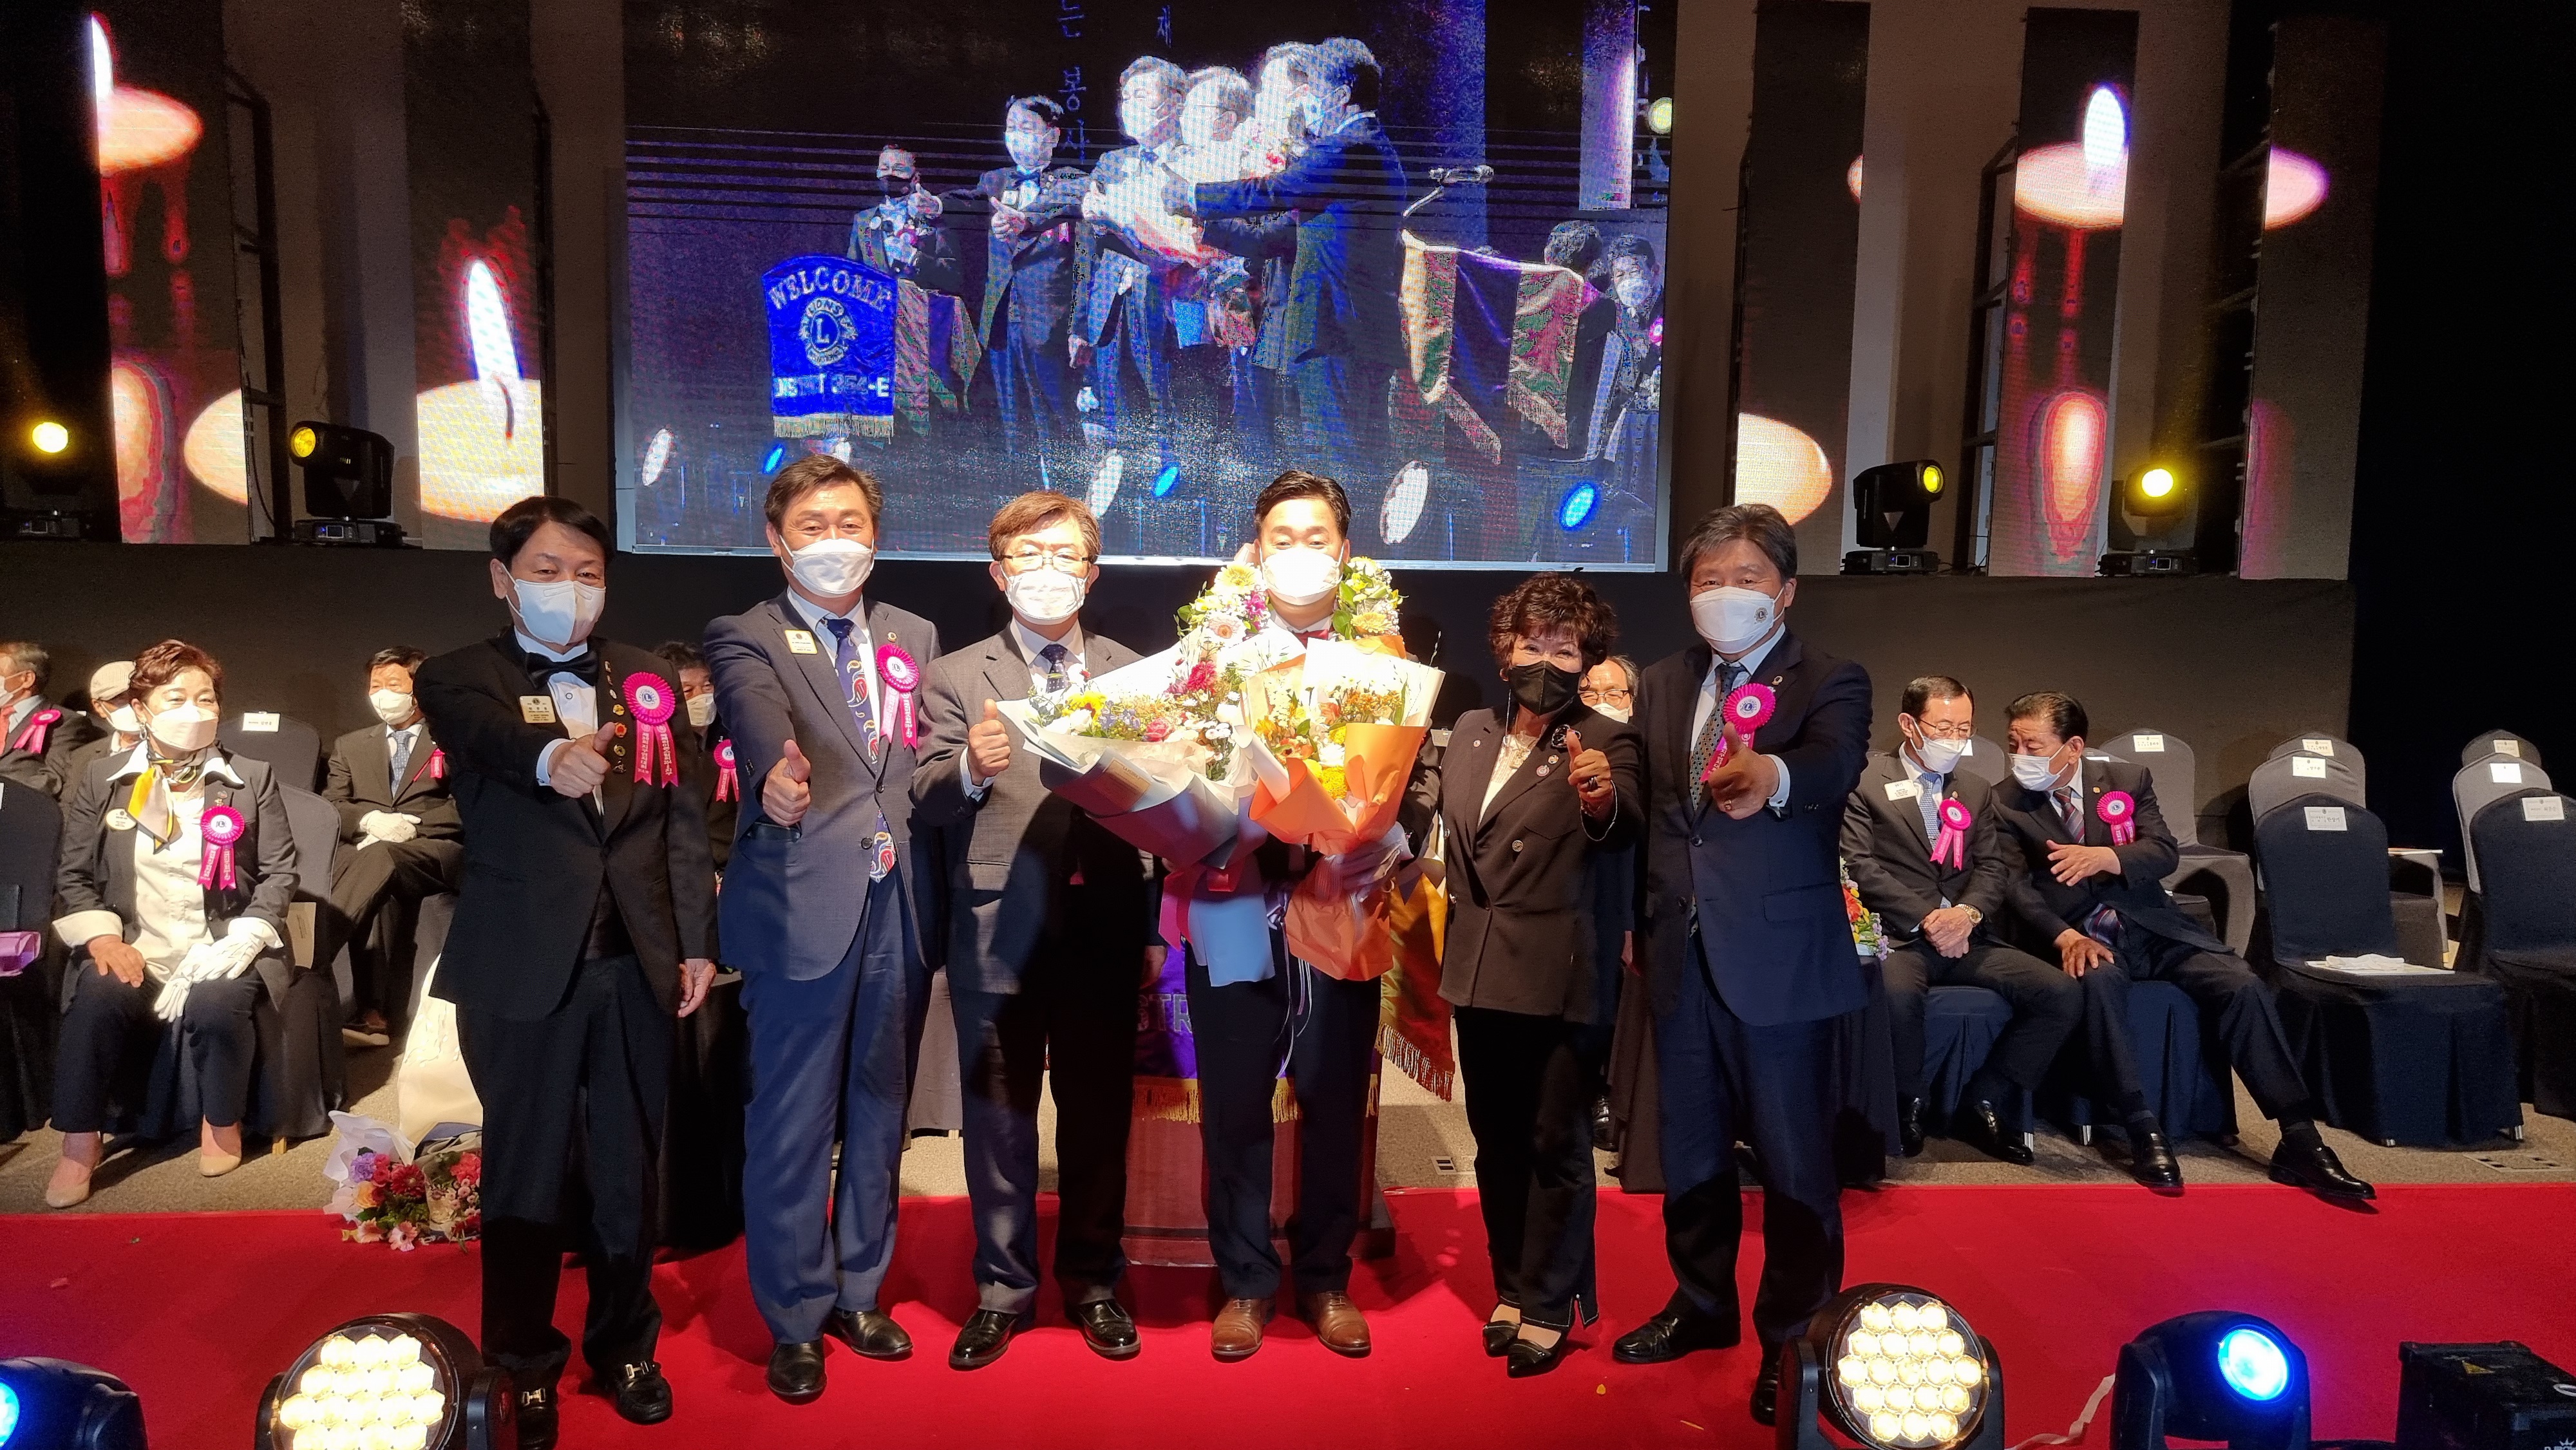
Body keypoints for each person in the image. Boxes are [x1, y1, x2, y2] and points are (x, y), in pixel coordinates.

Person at [413, 496, 718, 1443]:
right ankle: (521, 1362)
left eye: (587, 573)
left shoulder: (645, 676)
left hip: (634, 964)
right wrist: (551, 756)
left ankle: (627, 1345)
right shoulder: (457, 675)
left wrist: (695, 941)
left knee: (631, 1169)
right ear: (503, 579)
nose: (569, 589)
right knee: (527, 1172)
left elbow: (681, 821)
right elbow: (487, 737)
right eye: (547, 571)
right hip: (523, 970)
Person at [1612, 504, 1871, 1427]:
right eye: (1707, 579)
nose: (1725, 593)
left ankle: (1795, 1340)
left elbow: (1835, 763)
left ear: (1785, 590)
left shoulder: (1829, 678)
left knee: (1796, 1165)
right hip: (1679, 953)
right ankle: (1702, 1303)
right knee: (1689, 1153)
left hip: (1780, 960)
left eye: (1746, 577)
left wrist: (1776, 777)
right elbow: (1656, 815)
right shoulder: (1661, 680)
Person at [701, 456, 945, 1405]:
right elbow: (755, 715)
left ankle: (860, 1290)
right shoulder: (746, 633)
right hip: (803, 900)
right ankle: (796, 1315)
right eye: (813, 525)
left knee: (882, 1110)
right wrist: (775, 773)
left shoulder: (914, 633)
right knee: (794, 1119)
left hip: (900, 903)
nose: (834, 540)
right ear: (778, 540)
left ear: (875, 536)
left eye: (850, 523)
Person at [910, 490, 1159, 1369]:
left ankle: (1092, 1281)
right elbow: (926, 794)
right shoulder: (955, 675)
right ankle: (1002, 1288)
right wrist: (970, 769)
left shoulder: (1135, 672)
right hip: (995, 925)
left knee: (1097, 1116)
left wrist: (1153, 925)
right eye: (1028, 555)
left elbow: (1162, 804)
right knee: (999, 1120)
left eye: (1065, 556)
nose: (1047, 571)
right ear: (997, 572)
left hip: (1104, 922)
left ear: (1091, 574)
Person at [1177, 469, 1414, 1362]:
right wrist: (1199, 826)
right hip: (1233, 897)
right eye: (1283, 538)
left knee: (1332, 1097)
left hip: (1335, 905)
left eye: (1318, 539)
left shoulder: (1384, 659)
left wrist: (1383, 841)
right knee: (1236, 1100)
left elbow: (1413, 778)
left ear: (1346, 552)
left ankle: (1323, 1277)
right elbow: (1169, 764)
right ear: (1256, 549)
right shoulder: (1210, 653)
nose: (1300, 553)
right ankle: (1244, 1280)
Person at [1992, 692, 2372, 1201]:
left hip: (2153, 926)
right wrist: (2066, 936)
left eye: (2033, 745)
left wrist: (2107, 857)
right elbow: (2015, 889)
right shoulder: (2003, 801)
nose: (2020, 755)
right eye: (2013, 743)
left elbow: (2163, 852)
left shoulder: (2126, 780)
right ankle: (2142, 1128)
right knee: (2099, 982)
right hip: (2078, 932)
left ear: (2074, 747)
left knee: (2241, 983)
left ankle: (2299, 1134)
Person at [1409, 574, 1640, 1377]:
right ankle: (1510, 1284)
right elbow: (1446, 829)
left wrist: (1599, 799)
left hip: (1560, 974)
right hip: (1476, 967)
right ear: (1504, 651)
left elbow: (1621, 820)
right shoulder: (1473, 728)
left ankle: (1548, 1299)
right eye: (1531, 643)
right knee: (1495, 1140)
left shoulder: (1607, 738)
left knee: (1555, 1142)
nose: (1545, 660)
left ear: (1586, 659)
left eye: (1563, 648)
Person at [43, 639, 297, 1208]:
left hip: (222, 943)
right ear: (140, 708)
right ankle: (79, 1140)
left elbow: (280, 871)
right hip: (137, 944)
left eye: (206, 698)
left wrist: (246, 936)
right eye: (176, 698)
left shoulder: (250, 776)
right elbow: (74, 875)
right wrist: (103, 937)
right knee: (97, 999)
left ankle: (221, 1120)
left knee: (216, 1002)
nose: (195, 711)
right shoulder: (103, 777)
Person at [1840, 676, 2079, 1164]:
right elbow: (1859, 864)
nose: (1955, 739)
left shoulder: (1974, 788)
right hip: (1899, 936)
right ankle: (1906, 1104)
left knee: (2061, 994)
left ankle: (1984, 1099)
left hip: (1968, 935)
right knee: (1896, 996)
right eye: (1943, 728)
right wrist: (1928, 918)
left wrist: (1966, 915)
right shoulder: (1864, 780)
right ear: (1909, 724)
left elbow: (1993, 868)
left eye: (1964, 728)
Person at [1175, 40, 1407, 510]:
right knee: (1335, 459)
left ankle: (1354, 551)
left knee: (1342, 463)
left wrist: (1192, 196)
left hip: (1340, 328)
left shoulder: (1351, 146)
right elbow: (1276, 234)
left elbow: (1276, 190)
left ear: (1341, 95)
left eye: (1312, 88)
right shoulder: (1358, 147)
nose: (1305, 100)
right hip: (1341, 328)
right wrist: (1207, 225)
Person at [321, 646, 463, 1048]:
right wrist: (369, 821)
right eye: (375, 686)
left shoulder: (453, 738)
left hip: (436, 849)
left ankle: (311, 953)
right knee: (378, 879)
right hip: (374, 849)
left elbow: (471, 804)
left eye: (393, 684)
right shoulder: (350, 745)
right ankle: (373, 1016)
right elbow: (332, 803)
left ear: (417, 690)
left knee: (377, 857)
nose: (382, 694)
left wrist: (413, 828)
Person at [947, 97, 1090, 462]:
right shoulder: (996, 181)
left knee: (1057, 417)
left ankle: (1066, 485)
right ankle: (1020, 489)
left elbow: (1082, 260)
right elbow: (966, 200)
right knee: (1013, 422)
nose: (1016, 137)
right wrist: (937, 204)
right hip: (1003, 321)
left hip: (1050, 323)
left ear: (1052, 136)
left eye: (1026, 128)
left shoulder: (1072, 181)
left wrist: (1079, 327)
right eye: (1011, 128)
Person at [1075, 57, 1190, 462]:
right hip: (1111, 305)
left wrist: (1120, 218)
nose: (1130, 107)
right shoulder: (1112, 163)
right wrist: (1079, 324)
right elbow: (1087, 252)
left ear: (1176, 102)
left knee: (1170, 410)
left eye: (1142, 96)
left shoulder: (1195, 160)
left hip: (1167, 303)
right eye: (1126, 98)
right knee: (1117, 415)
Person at [1577, 654, 1640, 1151]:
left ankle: (1612, 1095)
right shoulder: (1562, 747)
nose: (1602, 702)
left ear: (1632, 700)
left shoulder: (1647, 753)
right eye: (1590, 693)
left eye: (1613, 693)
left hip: (1633, 890)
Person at [654, 640, 736, 877]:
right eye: (688, 690)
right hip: (675, 873)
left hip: (732, 870)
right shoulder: (651, 747)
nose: (701, 697)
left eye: (707, 685)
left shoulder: (736, 735)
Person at [849, 145, 963, 296]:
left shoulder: (933, 217)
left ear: (915, 177)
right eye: (884, 168)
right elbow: (852, 274)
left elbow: (953, 278)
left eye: (899, 169)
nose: (890, 174)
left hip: (922, 307)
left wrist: (915, 258)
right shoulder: (863, 220)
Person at [2, 639, 100, 797]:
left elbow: (52, 779)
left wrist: (3, 794)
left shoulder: (66, 722)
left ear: (27, 679)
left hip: (20, 808)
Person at [58, 661, 143, 785]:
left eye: (139, 695)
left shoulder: (171, 749)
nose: (133, 705)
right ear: (99, 707)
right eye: (119, 699)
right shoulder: (80, 759)